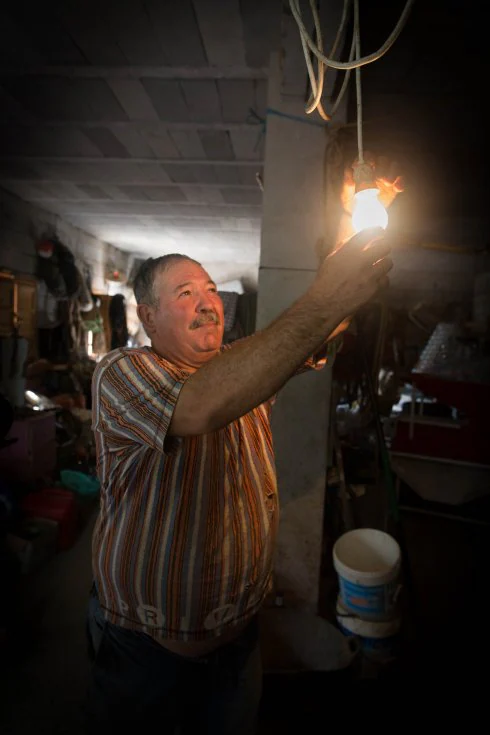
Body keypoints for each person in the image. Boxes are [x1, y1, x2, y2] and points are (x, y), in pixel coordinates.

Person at [84, 226, 393, 734]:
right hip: (148, 657)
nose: (208, 303)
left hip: (240, 643)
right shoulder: (121, 371)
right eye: (186, 294)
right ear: (148, 317)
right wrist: (325, 295)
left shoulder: (239, 367)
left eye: (210, 290)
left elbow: (306, 340)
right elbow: (199, 407)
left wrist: (349, 285)